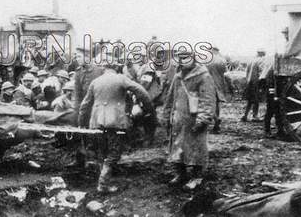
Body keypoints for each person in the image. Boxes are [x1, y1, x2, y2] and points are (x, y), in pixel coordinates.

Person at [79, 60, 152, 193]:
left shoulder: (95, 82)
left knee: (102, 151)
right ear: (117, 67)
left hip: (97, 122)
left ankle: (104, 180)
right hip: (115, 122)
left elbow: (84, 106)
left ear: (104, 68)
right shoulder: (121, 79)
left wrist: (81, 123)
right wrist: (148, 109)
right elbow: (142, 92)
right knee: (114, 152)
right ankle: (103, 184)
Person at [164, 50, 216, 187]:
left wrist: (202, 119)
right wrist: (167, 114)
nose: (183, 61)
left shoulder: (204, 76)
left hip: (194, 121)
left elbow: (208, 99)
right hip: (179, 119)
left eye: (186, 58)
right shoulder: (178, 77)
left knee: (196, 149)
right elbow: (171, 97)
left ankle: (197, 177)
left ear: (193, 59)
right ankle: (180, 174)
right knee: (177, 148)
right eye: (180, 59)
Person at [206, 45, 231, 133]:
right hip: (219, 84)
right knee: (217, 104)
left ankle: (216, 119)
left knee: (208, 104)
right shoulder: (222, 60)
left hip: (208, 84)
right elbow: (226, 74)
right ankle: (216, 125)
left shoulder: (207, 59)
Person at [242, 49, 266, 122]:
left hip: (249, 82)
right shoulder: (261, 61)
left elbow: (247, 72)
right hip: (256, 83)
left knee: (250, 100)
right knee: (256, 100)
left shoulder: (251, 61)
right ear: (262, 54)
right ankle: (255, 116)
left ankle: (245, 115)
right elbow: (261, 73)